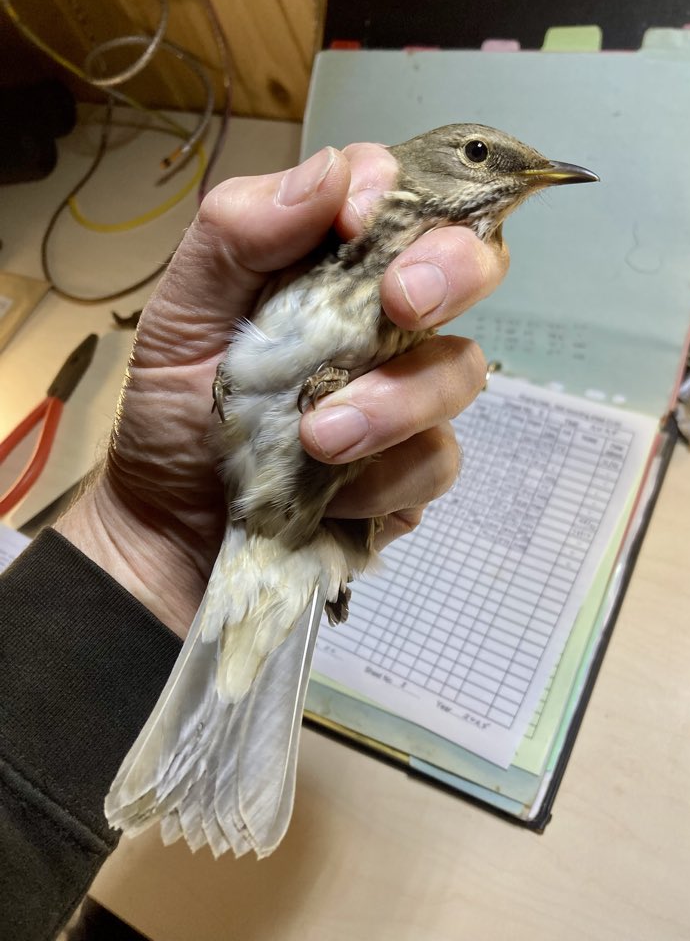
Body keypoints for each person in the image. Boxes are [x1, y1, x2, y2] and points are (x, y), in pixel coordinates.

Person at [0, 142, 509, 939]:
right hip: (248, 500)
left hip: (273, 530)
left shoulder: (423, 259)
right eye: (479, 155)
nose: (505, 178)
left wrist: (147, 534)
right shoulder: (364, 209)